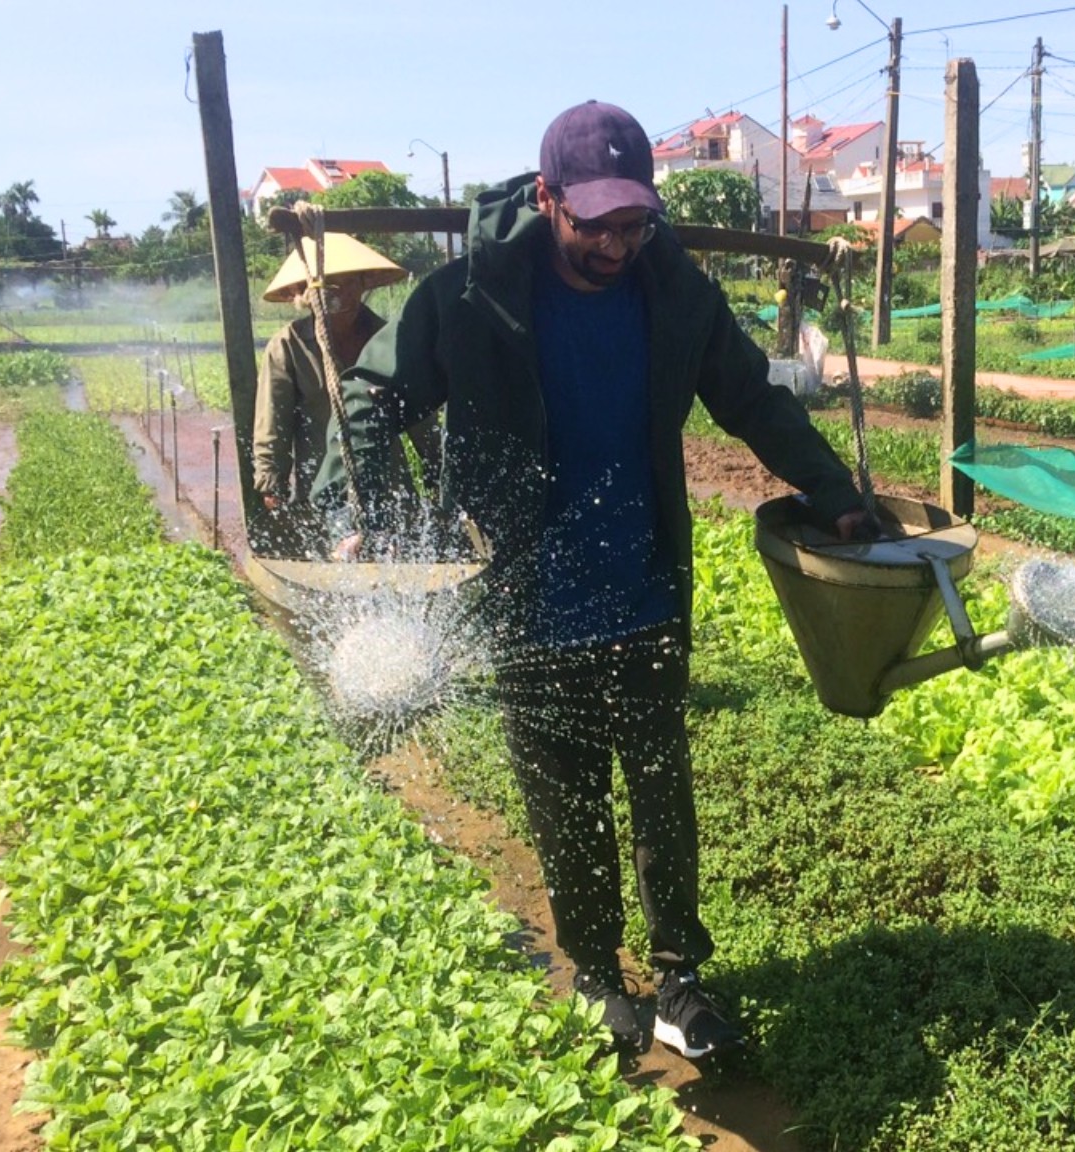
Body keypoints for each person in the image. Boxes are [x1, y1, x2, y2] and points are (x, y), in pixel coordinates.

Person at [319, 100, 868, 1061]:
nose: (616, 245)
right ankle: (600, 978)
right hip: (526, 601)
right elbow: (372, 395)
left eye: (634, 223)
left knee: (662, 791)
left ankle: (679, 982)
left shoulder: (678, 298)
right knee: (564, 799)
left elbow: (750, 399)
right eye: (595, 224)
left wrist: (833, 489)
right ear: (547, 199)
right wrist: (371, 512)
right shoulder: (466, 298)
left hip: (646, 586)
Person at [251, 233, 407, 557]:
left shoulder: (389, 339)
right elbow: (273, 425)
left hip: (389, 484)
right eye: (329, 285)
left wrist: (440, 471)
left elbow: (418, 412)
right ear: (306, 294)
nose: (341, 293)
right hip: (324, 490)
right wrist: (273, 484)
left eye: (349, 282)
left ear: (364, 284)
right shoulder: (288, 347)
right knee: (337, 566)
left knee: (394, 563)